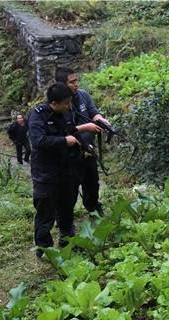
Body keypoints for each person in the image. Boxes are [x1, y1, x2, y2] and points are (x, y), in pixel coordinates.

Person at [28, 83, 99, 257]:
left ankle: (68, 241)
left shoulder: (66, 113)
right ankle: (45, 249)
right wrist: (63, 141)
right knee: (45, 213)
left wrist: (83, 147)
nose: (69, 106)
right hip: (46, 174)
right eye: (66, 103)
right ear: (54, 102)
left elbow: (71, 131)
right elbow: (38, 141)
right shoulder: (38, 116)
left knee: (67, 208)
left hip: (68, 170)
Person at [55, 66, 106, 216]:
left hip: (88, 149)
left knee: (92, 182)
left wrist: (101, 121)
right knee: (69, 187)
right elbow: (62, 129)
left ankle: (94, 209)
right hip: (70, 153)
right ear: (62, 84)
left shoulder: (83, 95)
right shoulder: (57, 103)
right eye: (72, 82)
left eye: (76, 80)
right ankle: (65, 218)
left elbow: (93, 113)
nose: (76, 84)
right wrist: (86, 127)